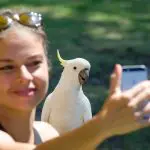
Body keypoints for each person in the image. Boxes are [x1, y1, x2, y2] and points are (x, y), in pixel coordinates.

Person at [0, 8, 150, 150]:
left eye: (34, 63)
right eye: (7, 67)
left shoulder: (48, 133)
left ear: (48, 66)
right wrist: (104, 124)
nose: (25, 76)